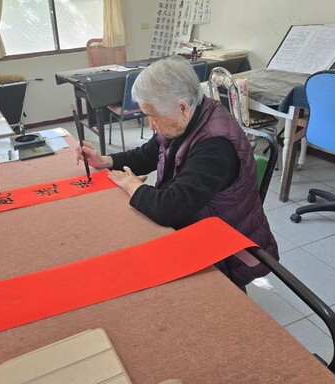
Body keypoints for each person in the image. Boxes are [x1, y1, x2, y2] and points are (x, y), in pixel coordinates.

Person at [76, 55, 278, 289]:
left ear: (181, 107)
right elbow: (148, 154)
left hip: (222, 251)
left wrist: (132, 185)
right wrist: (105, 160)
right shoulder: (190, 116)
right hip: (195, 226)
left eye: (152, 116)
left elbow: (170, 208)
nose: (151, 125)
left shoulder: (215, 146)